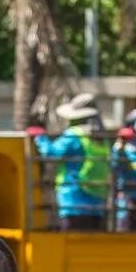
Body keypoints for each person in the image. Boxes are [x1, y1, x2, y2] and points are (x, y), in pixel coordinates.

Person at [36, 93, 111, 230]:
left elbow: (51, 153)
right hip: (97, 206)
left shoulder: (74, 135)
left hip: (73, 203)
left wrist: (40, 137)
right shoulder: (103, 139)